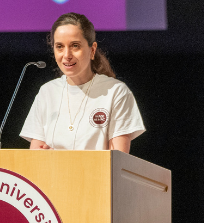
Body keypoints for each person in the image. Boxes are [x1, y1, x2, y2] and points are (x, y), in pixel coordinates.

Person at [20, 12, 145, 152]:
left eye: (75, 46)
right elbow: (35, 156)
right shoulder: (47, 92)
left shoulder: (115, 91)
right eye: (59, 47)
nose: (67, 55)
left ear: (92, 50)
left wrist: (61, 159)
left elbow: (117, 160)